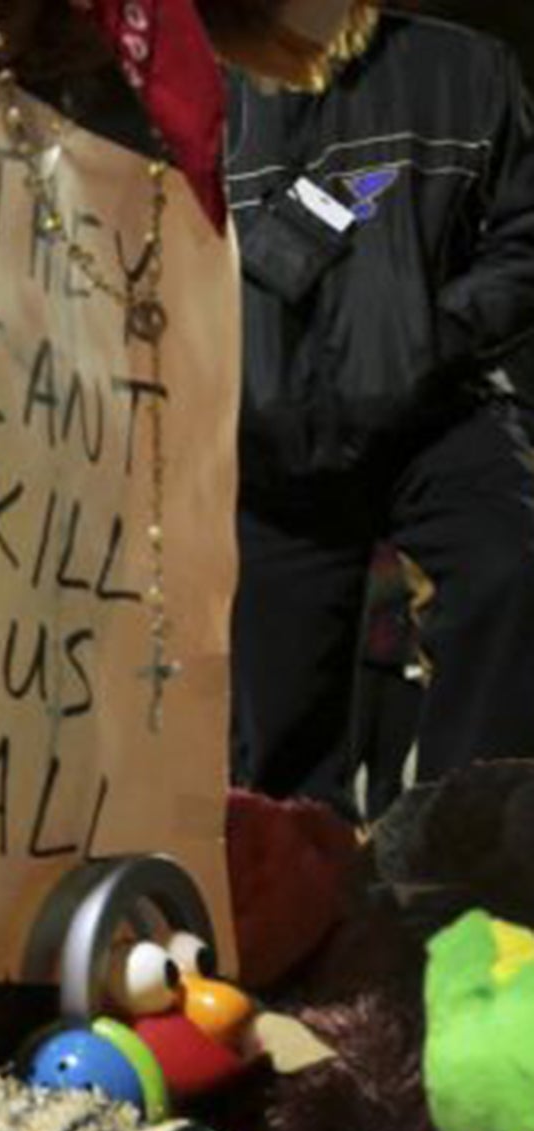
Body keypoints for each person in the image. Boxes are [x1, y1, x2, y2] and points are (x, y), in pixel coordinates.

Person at [227, 5, 534, 815]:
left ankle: (465, 849)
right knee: (279, 741)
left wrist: (433, 335)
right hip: (257, 440)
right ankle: (307, 897)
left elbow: (526, 237)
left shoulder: (468, 67)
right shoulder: (192, 79)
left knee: (514, 558)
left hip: (435, 412)